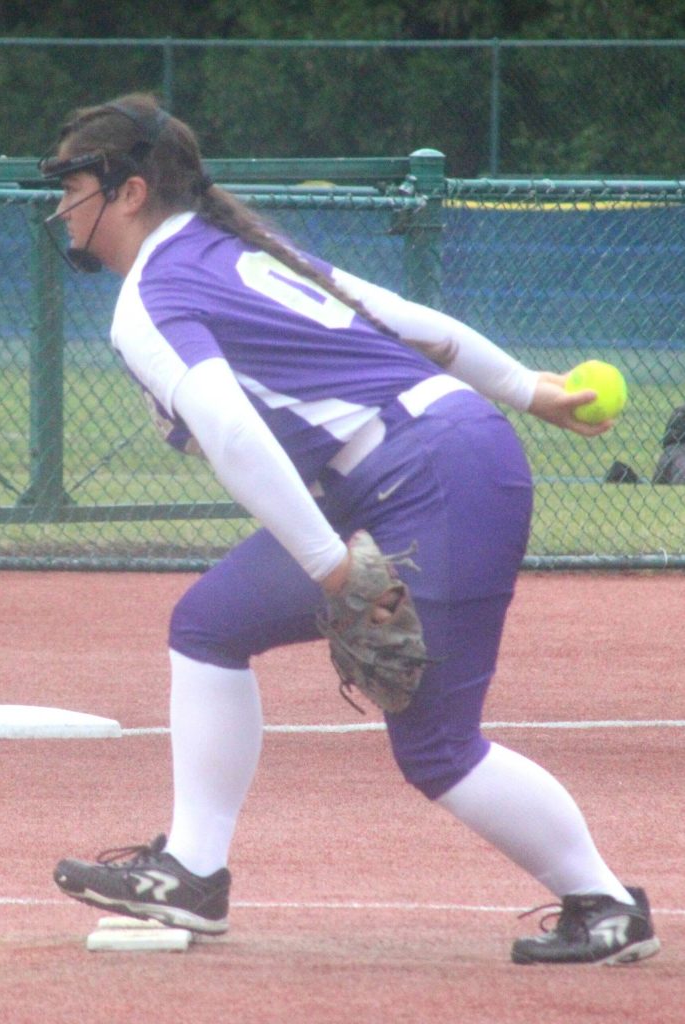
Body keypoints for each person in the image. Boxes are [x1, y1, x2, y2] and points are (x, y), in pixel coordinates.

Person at [41, 92, 659, 966]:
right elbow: (412, 324)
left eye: (73, 182)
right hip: (411, 466)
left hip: (429, 476)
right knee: (210, 625)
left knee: (439, 748)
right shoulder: (236, 249)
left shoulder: (151, 296)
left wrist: (333, 569)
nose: (62, 204)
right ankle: (191, 871)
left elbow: (233, 433)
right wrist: (528, 388)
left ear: (130, 191)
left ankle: (604, 906)